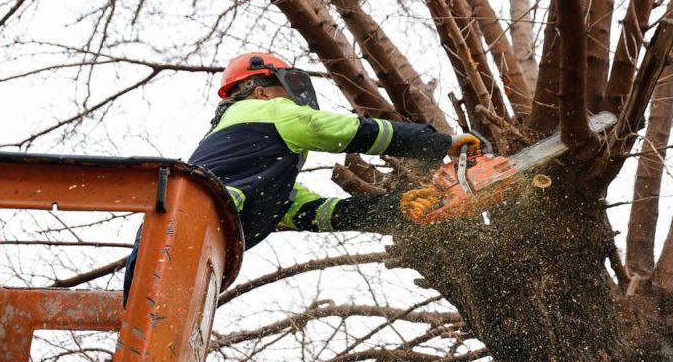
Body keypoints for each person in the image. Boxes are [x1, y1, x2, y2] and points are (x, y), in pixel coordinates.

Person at [124, 51, 468, 296]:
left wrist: (396, 206)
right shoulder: (265, 111)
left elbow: (316, 214)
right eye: (285, 92)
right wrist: (439, 144)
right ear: (261, 90)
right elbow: (345, 131)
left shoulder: (257, 173)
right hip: (185, 227)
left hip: (178, 249)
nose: (293, 103)